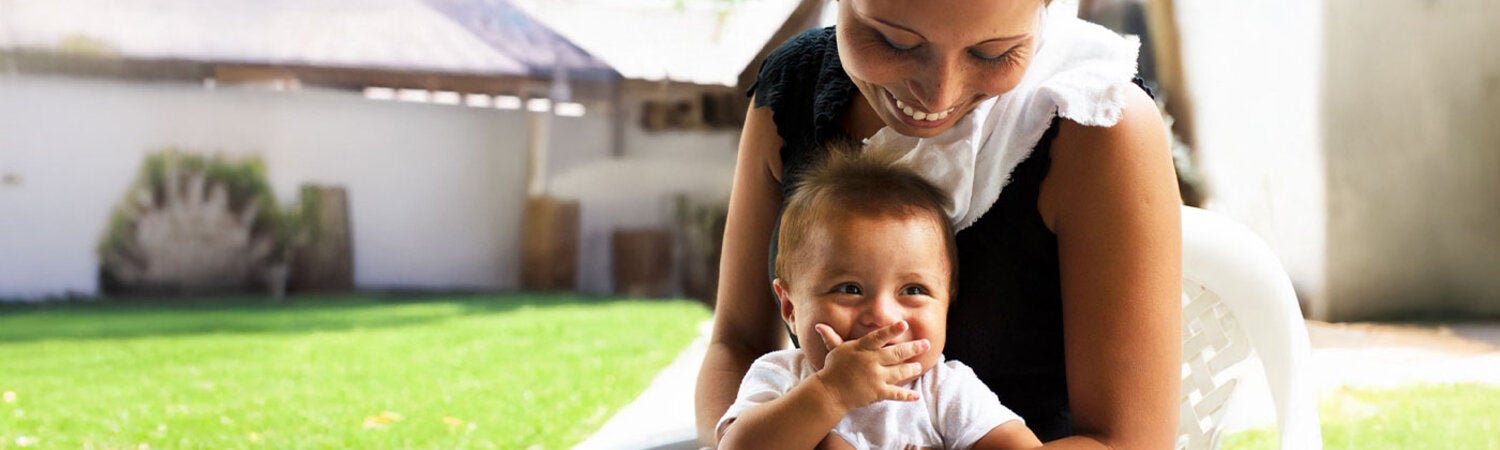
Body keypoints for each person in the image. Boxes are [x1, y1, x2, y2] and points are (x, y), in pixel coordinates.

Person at [697, 0, 1183, 447]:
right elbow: (735, 341)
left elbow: (1125, 443)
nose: (937, 95)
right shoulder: (794, 87)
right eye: (895, 42)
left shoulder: (1098, 124)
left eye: (993, 53)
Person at [716, 147, 1042, 450]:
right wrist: (830, 391)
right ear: (790, 307)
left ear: (946, 304)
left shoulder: (946, 390)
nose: (882, 315)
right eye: (850, 289)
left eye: (913, 290)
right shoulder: (783, 376)